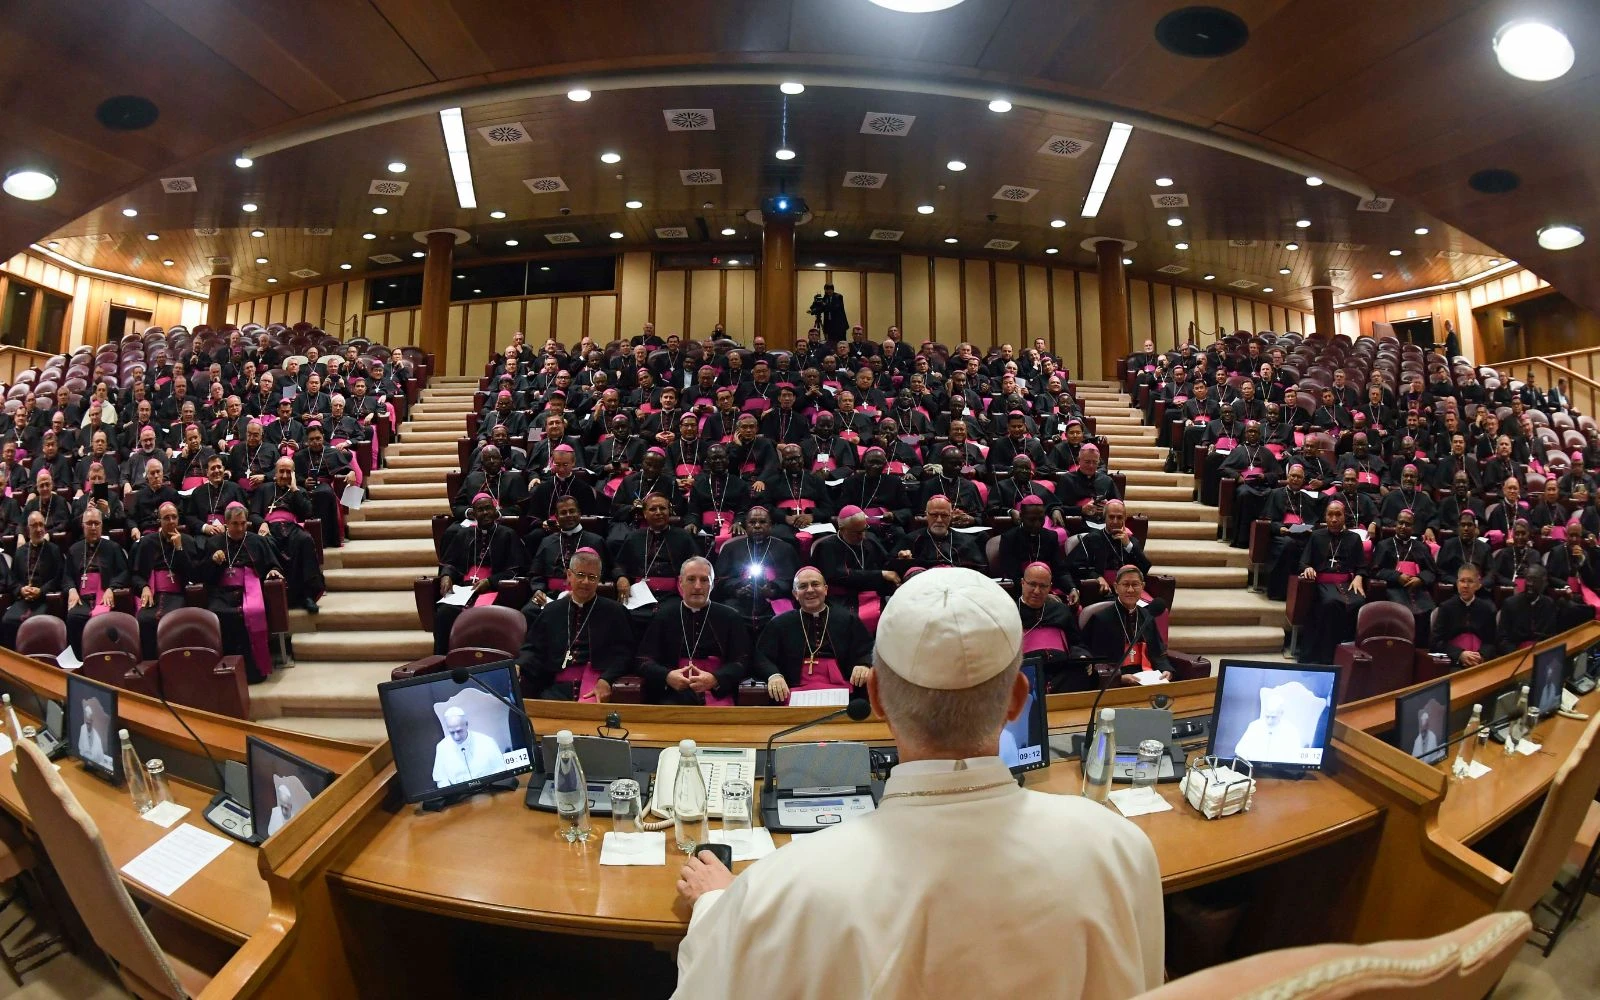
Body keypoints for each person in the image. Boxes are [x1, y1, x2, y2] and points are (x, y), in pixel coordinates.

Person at [672, 568, 1165, 999]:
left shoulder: (779, 888)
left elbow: (715, 977)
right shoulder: (1121, 849)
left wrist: (718, 903)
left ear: (879, 698)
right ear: (1019, 700)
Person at [516, 548, 633, 701]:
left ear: (599, 580)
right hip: (554, 689)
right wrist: (520, 665)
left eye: (592, 577)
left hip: (596, 686)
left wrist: (607, 679)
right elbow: (534, 648)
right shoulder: (552, 610)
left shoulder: (615, 611)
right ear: (569, 575)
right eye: (580, 575)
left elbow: (625, 654)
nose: (585, 582)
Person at [638, 557, 751, 705]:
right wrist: (667, 676)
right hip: (672, 694)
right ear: (680, 583)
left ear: (712, 584)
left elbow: (743, 660)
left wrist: (715, 679)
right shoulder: (664, 615)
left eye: (704, 580)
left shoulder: (730, 616)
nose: (697, 586)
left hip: (717, 694)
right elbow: (643, 660)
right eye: (691, 579)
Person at [755, 567, 873, 704]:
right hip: (793, 686)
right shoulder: (779, 623)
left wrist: (863, 665)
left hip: (842, 685)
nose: (810, 590)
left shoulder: (848, 619)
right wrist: (774, 676)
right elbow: (762, 656)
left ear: (826, 589)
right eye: (803, 586)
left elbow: (867, 648)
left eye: (815, 584)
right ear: (795, 594)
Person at [1297, 499, 1367, 664]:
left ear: (1344, 517)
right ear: (1325, 517)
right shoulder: (1316, 536)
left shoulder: (1354, 538)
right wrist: (1307, 568)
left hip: (1347, 584)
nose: (1334, 519)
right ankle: (1326, 656)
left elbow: (1362, 566)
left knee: (1359, 602)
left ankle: (1347, 656)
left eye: (1338, 515)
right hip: (1323, 584)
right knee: (1331, 603)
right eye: (1330, 515)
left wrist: (1358, 577)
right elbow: (1303, 561)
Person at [1078, 565, 1173, 684]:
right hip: (1117, 678)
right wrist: (1118, 678)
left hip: (1149, 677)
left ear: (1142, 587)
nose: (1130, 590)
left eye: (1135, 584)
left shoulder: (1147, 615)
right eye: (1125, 584)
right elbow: (1094, 658)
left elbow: (1158, 652)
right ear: (1116, 587)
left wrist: (1166, 669)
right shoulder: (1101, 618)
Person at [430, 705, 506, 788]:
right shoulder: (442, 747)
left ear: (466, 725)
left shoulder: (487, 741)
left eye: (459, 731)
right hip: (459, 795)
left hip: (489, 789)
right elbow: (441, 779)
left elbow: (500, 769)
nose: (456, 737)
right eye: (452, 732)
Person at [1234, 688, 1306, 761]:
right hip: (1253, 769)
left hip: (1280, 770)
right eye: (1267, 716)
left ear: (1281, 713)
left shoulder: (1291, 730)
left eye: (1273, 717)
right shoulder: (1254, 726)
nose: (1269, 721)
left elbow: (1295, 757)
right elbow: (1239, 750)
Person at [77, 696, 111, 770]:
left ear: (92, 722)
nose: (88, 725)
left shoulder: (96, 735)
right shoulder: (83, 729)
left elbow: (98, 755)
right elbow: (81, 748)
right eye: (87, 723)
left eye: (89, 723)